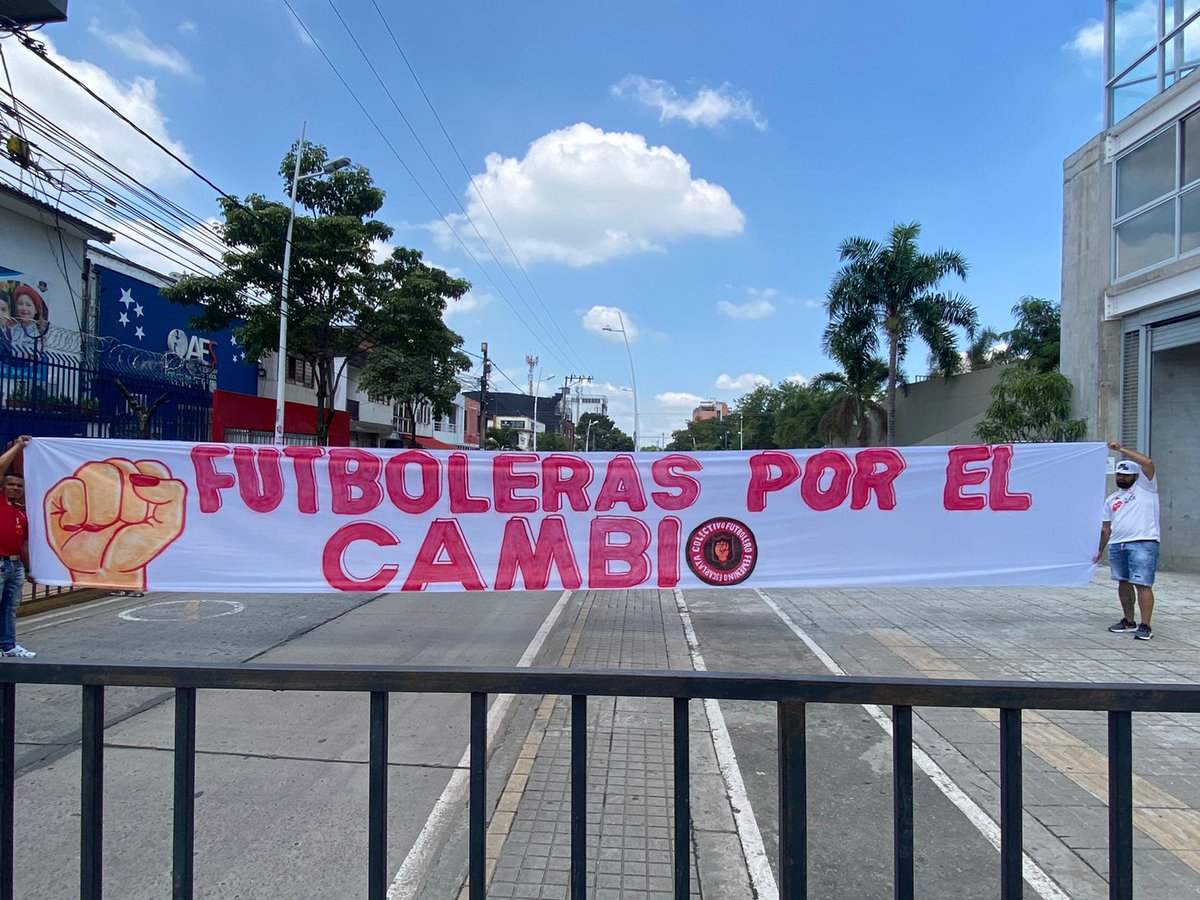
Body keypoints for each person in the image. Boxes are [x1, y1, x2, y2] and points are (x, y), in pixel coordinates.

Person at [1095, 441, 1160, 641]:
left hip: (1143, 542)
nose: (1121, 478)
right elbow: (1106, 528)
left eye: (1126, 475)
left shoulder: (1146, 488)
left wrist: (1121, 450)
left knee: (1142, 584)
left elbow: (1148, 463)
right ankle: (1128, 621)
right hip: (1118, 544)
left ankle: (1145, 625)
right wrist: (1100, 550)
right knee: (1123, 583)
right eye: (1118, 474)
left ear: (1135, 476)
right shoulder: (1111, 499)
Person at [0, 435, 35, 658]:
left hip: (15, 566)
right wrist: (18, 446)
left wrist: (29, 569)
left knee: (10, 609)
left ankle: (8, 645)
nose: (15, 488)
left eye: (19, 486)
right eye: (11, 484)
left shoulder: (21, 512)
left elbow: (24, 544)